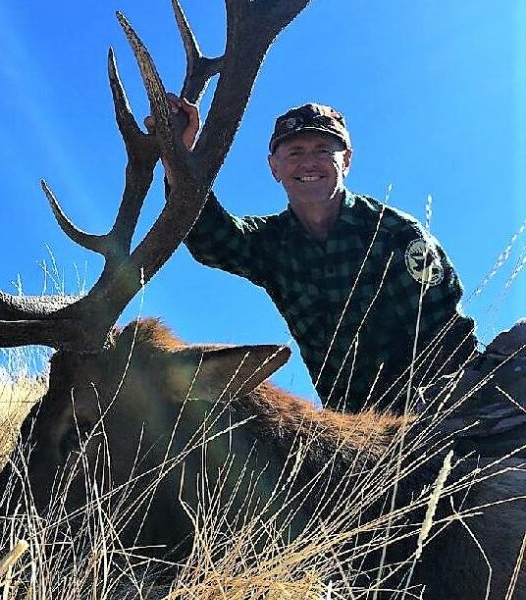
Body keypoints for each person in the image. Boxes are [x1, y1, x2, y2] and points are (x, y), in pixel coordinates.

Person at [154, 97, 479, 415]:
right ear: (274, 167)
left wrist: (441, 420)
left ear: (346, 160)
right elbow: (212, 239)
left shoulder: (397, 234)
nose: (308, 162)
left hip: (433, 418)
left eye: (323, 150)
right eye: (295, 152)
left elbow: (448, 339)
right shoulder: (272, 243)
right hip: (348, 437)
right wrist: (179, 156)